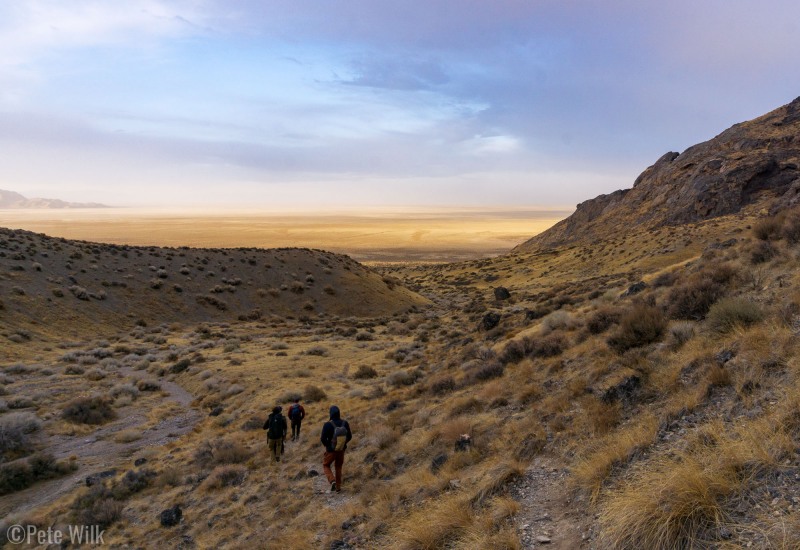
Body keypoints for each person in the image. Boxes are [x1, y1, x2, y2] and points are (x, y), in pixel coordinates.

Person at [320, 405, 352, 492]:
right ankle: (338, 488)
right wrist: (343, 444)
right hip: (341, 450)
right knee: (338, 467)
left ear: (331, 413)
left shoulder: (327, 425)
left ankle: (332, 480)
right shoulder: (345, 423)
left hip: (331, 450)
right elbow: (349, 436)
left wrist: (328, 447)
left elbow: (323, 438)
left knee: (326, 465)